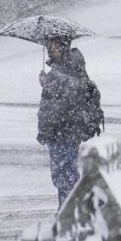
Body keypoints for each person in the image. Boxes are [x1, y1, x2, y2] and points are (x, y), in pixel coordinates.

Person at [37, 37, 104, 208]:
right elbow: (49, 105)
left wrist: (51, 83)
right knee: (61, 174)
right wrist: (44, 130)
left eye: (54, 46)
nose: (51, 49)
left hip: (66, 130)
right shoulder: (56, 71)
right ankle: (68, 208)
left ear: (63, 47)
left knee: (65, 173)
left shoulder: (71, 66)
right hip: (56, 131)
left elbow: (73, 94)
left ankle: (72, 209)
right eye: (49, 46)